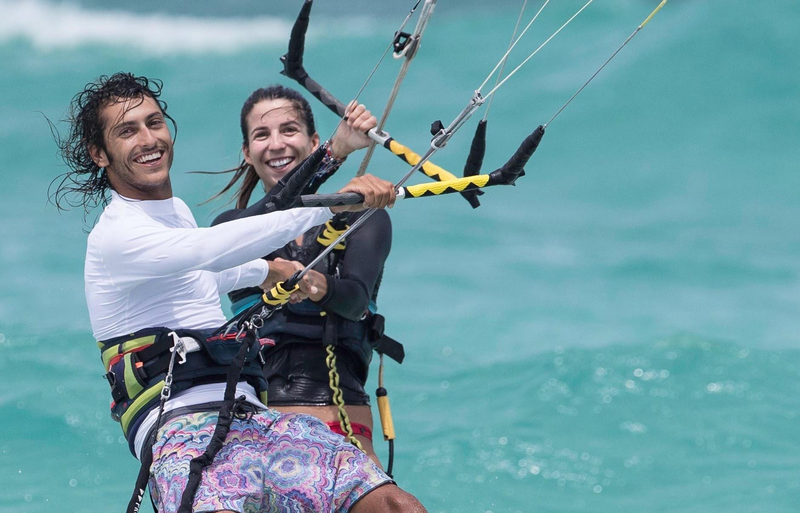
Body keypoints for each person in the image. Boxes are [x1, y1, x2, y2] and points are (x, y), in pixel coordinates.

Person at [53, 72, 426, 513]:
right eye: (127, 130)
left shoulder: (173, 213)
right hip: (179, 431)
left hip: (249, 416)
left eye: (155, 123)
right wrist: (336, 201)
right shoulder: (115, 235)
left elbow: (198, 275)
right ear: (100, 153)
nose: (148, 138)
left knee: (396, 506)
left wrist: (264, 269)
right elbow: (209, 249)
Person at [209, 85, 399, 466]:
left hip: (344, 428)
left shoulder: (362, 217)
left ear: (313, 142)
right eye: (262, 135)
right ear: (247, 153)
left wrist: (314, 283)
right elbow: (277, 212)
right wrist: (337, 154)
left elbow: (355, 301)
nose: (276, 143)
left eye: (289, 130)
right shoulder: (232, 229)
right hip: (259, 431)